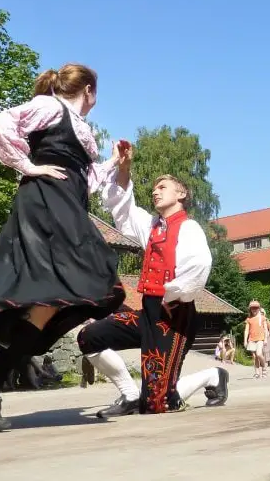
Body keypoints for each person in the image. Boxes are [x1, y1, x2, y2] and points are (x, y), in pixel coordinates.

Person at [0, 65, 126, 429]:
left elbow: (84, 178)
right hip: (45, 205)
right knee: (95, 278)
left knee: (51, 302)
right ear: (90, 90)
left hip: (66, 206)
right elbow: (0, 123)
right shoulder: (50, 108)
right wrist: (28, 167)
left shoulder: (80, 129)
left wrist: (114, 162)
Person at [77, 146, 228, 418]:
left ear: (181, 194)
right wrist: (124, 167)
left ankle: (212, 376)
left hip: (173, 315)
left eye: (163, 187)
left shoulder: (189, 228)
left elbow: (198, 266)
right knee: (89, 337)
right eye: (155, 188)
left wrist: (173, 295)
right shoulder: (151, 226)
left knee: (158, 405)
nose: (155, 191)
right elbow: (124, 207)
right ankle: (130, 393)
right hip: (148, 312)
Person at [243, 301, 270, 377]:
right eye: (252, 308)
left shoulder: (262, 318)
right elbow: (246, 330)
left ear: (259, 309)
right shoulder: (249, 319)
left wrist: (265, 339)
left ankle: (264, 369)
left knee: (259, 354)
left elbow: (265, 329)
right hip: (252, 339)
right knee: (255, 356)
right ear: (250, 309)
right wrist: (245, 340)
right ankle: (257, 372)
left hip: (260, 339)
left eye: (256, 308)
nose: (254, 310)